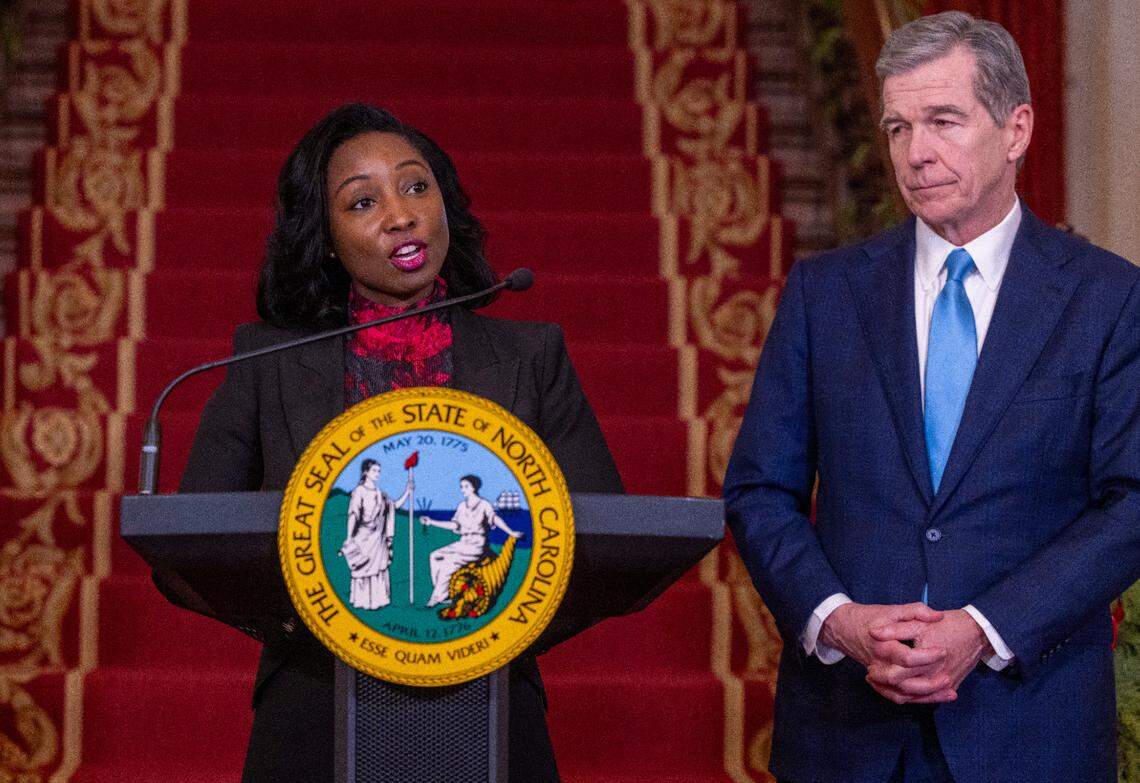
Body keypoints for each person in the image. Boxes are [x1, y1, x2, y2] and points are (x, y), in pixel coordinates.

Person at [723, 12, 1140, 783]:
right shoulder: (824, 294)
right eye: (897, 127)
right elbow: (758, 490)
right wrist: (838, 620)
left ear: (1016, 129)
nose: (915, 153)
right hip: (848, 732)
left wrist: (984, 628)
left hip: (1029, 731)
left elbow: (1132, 501)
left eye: (943, 121)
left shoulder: (1108, 299)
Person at [174, 103, 623, 782]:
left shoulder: (531, 357)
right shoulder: (268, 362)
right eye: (363, 202)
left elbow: (607, 544)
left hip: (492, 699)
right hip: (315, 701)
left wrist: (488, 627)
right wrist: (312, 619)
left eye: (416, 187)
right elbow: (191, 546)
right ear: (326, 237)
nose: (400, 215)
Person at [422, 474, 523, 607]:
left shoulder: (484, 504)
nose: (462, 489)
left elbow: (495, 519)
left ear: (474, 487)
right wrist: (431, 522)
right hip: (463, 543)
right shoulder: (462, 506)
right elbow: (454, 525)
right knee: (434, 556)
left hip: (477, 545)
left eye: (466, 486)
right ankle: (444, 593)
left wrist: (510, 532)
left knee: (449, 564)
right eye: (461, 487)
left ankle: (436, 598)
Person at [342, 459, 411, 609]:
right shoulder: (359, 491)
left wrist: (407, 491)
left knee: (379, 568)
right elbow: (353, 515)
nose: (377, 474)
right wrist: (349, 538)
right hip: (363, 538)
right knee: (363, 568)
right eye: (374, 470)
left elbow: (394, 507)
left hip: (378, 539)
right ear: (365, 472)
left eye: (379, 471)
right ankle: (362, 601)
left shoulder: (382, 494)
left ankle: (378, 600)